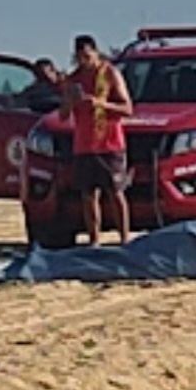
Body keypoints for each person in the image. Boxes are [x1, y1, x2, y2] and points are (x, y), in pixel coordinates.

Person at [59, 34, 133, 246]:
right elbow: (63, 115)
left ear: (96, 53)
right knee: (88, 195)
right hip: (84, 145)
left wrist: (101, 104)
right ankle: (94, 240)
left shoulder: (109, 73)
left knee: (115, 192)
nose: (84, 61)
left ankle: (125, 239)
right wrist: (69, 101)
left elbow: (127, 108)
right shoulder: (73, 79)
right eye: (79, 57)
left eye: (87, 56)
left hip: (110, 143)